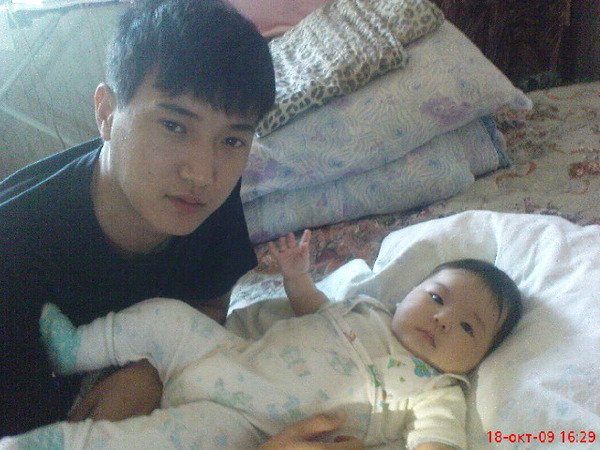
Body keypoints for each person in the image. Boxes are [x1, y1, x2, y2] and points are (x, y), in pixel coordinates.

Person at [0, 0, 361, 446]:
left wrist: (151, 367)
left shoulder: (203, 197)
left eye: (232, 139)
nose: (202, 174)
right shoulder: (15, 255)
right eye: (174, 126)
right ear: (106, 113)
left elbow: (209, 306)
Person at [3, 230, 523, 449]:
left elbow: (436, 440)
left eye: (468, 327)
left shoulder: (438, 389)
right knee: (167, 317)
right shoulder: (369, 311)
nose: (443, 320)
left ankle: (59, 443)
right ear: (409, 292)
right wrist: (296, 276)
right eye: (436, 297)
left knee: (155, 442)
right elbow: (314, 308)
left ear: (478, 358)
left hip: (247, 426)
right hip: (227, 353)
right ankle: (78, 348)